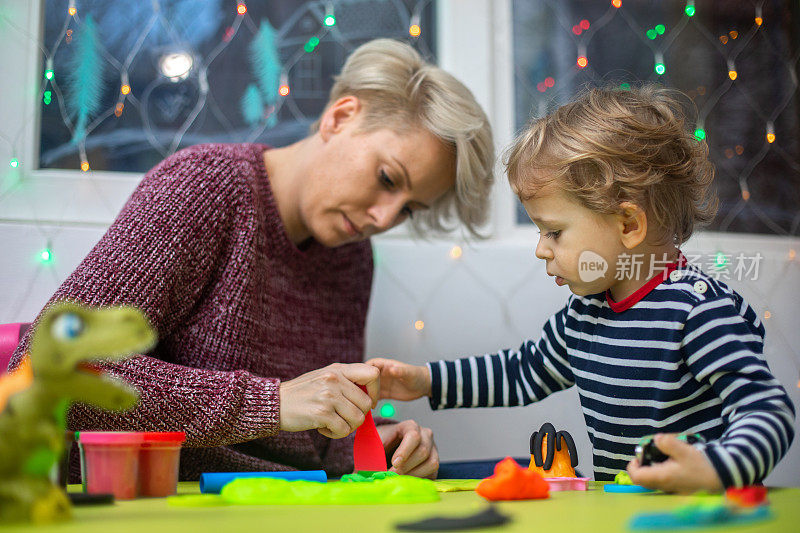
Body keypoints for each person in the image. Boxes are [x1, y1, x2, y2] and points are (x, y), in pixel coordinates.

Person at [8, 39, 494, 481]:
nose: (384, 217)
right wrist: (270, 402)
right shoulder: (203, 189)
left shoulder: (351, 256)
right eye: (388, 178)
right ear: (341, 117)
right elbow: (48, 363)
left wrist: (372, 452)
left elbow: (307, 442)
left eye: (409, 208)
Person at [368, 84, 795, 492]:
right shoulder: (586, 313)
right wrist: (425, 381)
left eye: (554, 232)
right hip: (621, 515)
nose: (541, 250)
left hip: (703, 517)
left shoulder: (699, 311)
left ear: (628, 224)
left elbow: (768, 411)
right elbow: (523, 372)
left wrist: (717, 468)